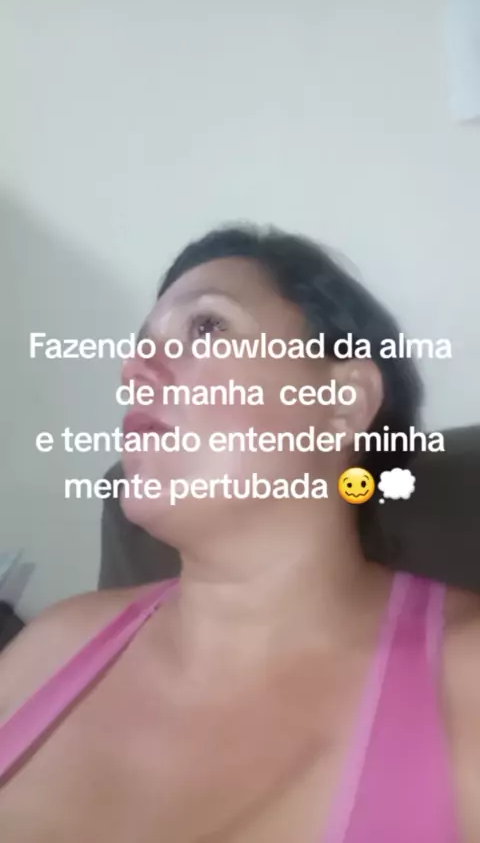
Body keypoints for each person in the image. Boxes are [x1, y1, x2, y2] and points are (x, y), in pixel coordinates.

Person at [0, 225, 478, 843]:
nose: (132, 371)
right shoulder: (52, 645)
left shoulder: (466, 680)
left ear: (343, 401)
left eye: (206, 326)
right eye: (141, 346)